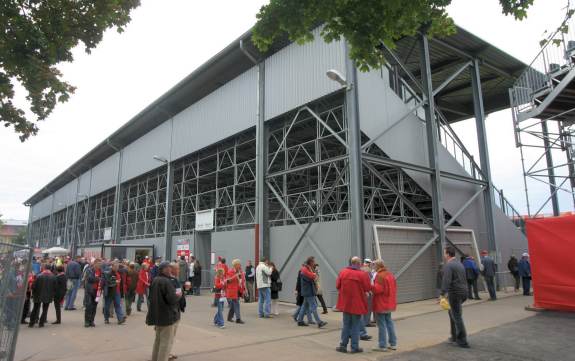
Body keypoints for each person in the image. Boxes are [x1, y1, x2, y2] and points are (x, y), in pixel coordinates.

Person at [146, 261, 182, 361]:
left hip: (158, 316)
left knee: (158, 341)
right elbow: (172, 299)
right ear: (164, 269)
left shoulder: (155, 280)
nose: (170, 270)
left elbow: (150, 298)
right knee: (165, 343)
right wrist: (178, 296)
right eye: (168, 268)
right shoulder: (166, 282)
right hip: (166, 316)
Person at [335, 256, 371, 353]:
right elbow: (368, 288)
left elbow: (337, 286)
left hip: (346, 304)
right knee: (355, 326)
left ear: (351, 263)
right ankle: (354, 347)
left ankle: (343, 346)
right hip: (357, 304)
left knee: (346, 325)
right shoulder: (363, 275)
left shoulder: (343, 272)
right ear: (359, 264)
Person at [441, 247, 470, 348]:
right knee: (452, 312)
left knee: (457, 316)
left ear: (448, 254)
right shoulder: (459, 264)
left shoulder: (449, 265)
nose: (444, 255)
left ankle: (462, 340)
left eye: (445, 253)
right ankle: (454, 336)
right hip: (463, 292)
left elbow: (446, 280)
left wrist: (442, 293)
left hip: (455, 293)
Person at [371, 259, 397, 352]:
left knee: (381, 324)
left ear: (377, 266)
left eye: (374, 265)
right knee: (389, 323)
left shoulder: (380, 276)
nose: (373, 267)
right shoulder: (390, 274)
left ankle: (382, 345)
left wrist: (370, 286)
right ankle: (393, 343)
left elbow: (378, 290)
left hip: (381, 303)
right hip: (389, 303)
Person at [297, 257, 327, 328]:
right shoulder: (305, 270)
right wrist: (314, 275)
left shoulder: (307, 269)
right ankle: (319, 322)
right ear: (310, 262)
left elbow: (314, 276)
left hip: (308, 291)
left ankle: (300, 321)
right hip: (308, 291)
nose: (314, 263)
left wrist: (314, 275)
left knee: (304, 306)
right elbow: (312, 277)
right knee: (313, 306)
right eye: (313, 262)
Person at [29, 263, 56, 328]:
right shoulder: (53, 277)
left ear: (44, 268)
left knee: (35, 309)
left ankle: (31, 323)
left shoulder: (39, 276)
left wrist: (33, 292)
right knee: (45, 309)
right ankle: (41, 323)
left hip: (38, 295)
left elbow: (33, 286)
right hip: (48, 295)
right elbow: (55, 288)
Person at [84, 259, 102, 327]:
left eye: (100, 264)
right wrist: (99, 279)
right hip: (90, 290)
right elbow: (90, 278)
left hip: (98, 292)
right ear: (94, 264)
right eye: (98, 264)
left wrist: (101, 280)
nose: (99, 265)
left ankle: (92, 321)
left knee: (94, 307)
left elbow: (103, 279)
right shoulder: (89, 270)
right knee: (89, 306)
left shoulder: (101, 271)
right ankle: (87, 321)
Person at [226, 259, 245, 324]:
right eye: (239, 264)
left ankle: (229, 317)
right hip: (232, 290)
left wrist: (244, 289)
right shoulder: (230, 271)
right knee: (236, 303)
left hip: (238, 290)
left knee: (233, 305)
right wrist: (235, 276)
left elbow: (241, 281)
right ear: (235, 265)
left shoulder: (240, 271)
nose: (240, 265)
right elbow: (228, 281)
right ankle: (238, 319)